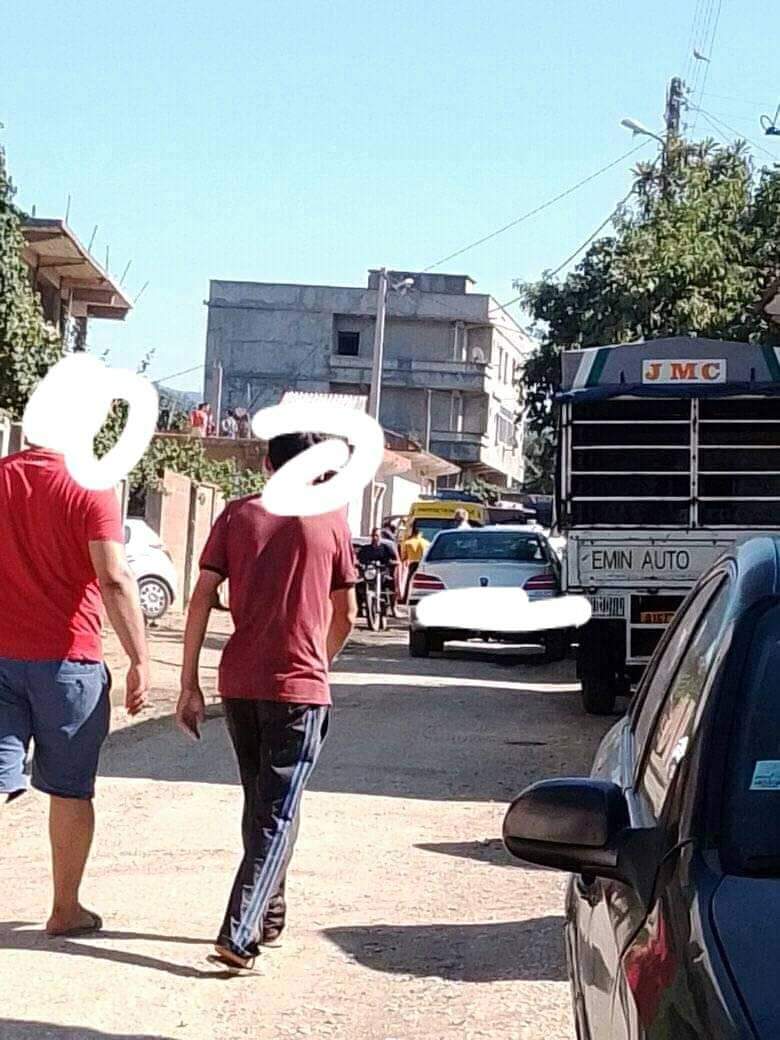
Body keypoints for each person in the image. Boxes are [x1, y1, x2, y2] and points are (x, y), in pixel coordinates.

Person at [177, 432, 357, 970]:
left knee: (264, 803)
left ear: (265, 461)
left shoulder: (236, 516)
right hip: (299, 687)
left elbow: (203, 595)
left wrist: (189, 682)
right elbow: (344, 613)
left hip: (239, 683)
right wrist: (319, 663)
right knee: (275, 812)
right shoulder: (329, 521)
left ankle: (270, 911)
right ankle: (241, 929)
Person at [0, 445, 150, 936]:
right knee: (67, 789)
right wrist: (139, 658)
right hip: (68, 662)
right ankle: (65, 909)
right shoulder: (90, 484)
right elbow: (114, 577)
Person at [400, 521, 429, 602]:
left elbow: (403, 557)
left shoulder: (407, 543)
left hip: (412, 564)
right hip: (422, 564)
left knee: (409, 582)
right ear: (420, 533)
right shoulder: (426, 543)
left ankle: (406, 598)